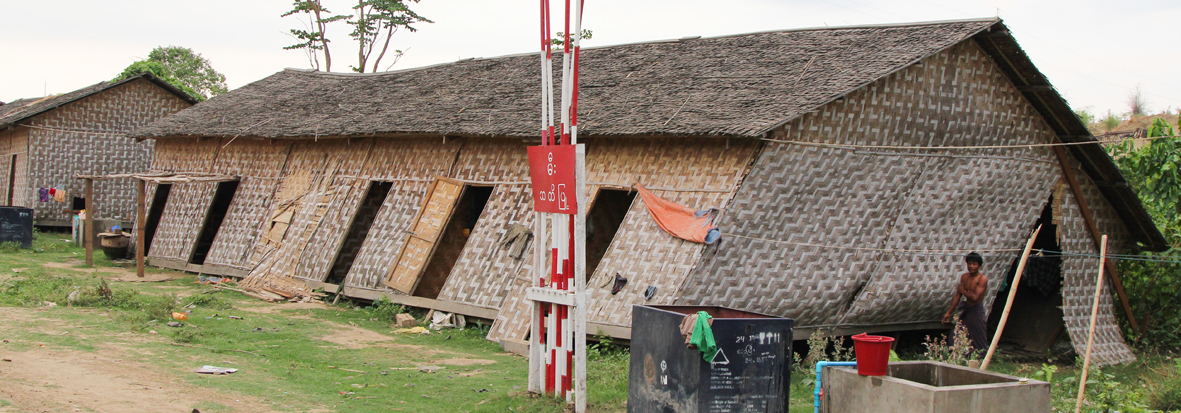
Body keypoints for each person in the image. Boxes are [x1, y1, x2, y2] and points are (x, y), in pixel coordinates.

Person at [942, 252, 988, 354]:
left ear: (979, 266)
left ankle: (981, 358)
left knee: (978, 336)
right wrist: (948, 312)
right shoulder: (964, 277)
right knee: (955, 334)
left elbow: (975, 297)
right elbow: (957, 296)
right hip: (967, 309)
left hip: (976, 310)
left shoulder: (982, 279)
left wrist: (963, 291)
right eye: (969, 264)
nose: (971, 266)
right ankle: (957, 355)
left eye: (974, 264)